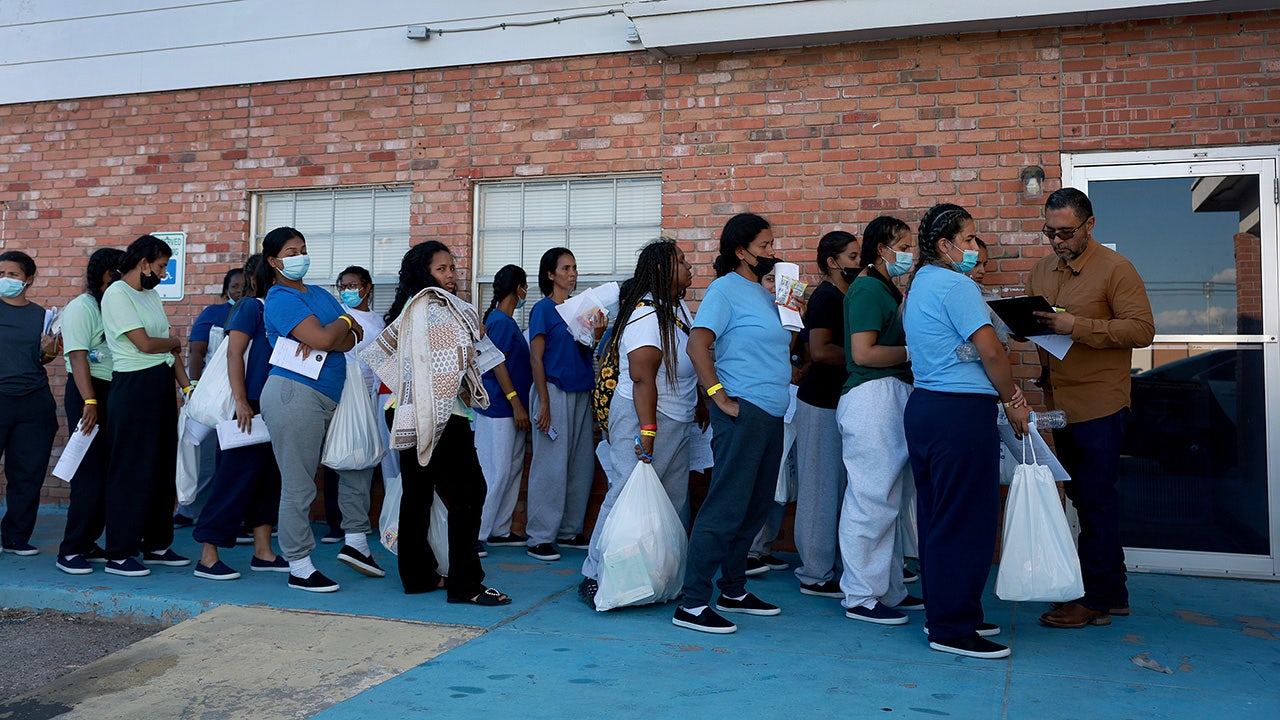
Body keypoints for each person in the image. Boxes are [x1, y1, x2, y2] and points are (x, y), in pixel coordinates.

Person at [901, 203, 1030, 659]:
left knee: (940, 517)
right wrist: (1015, 400)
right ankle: (952, 628)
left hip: (929, 409)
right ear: (945, 245)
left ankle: (950, 614)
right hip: (958, 413)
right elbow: (991, 352)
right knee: (965, 520)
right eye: (971, 239)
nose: (975, 248)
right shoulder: (955, 284)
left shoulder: (919, 284)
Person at [1028, 188, 1154, 629]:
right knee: (1083, 498)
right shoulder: (1043, 269)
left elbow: (1142, 330)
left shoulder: (1116, 269)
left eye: (1065, 232)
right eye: (1050, 233)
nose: (1057, 241)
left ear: (1090, 225)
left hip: (1101, 402)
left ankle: (1095, 598)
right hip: (1060, 403)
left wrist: (1075, 326)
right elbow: (1039, 324)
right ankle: (1112, 594)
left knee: (1096, 501)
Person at [674, 213, 791, 635]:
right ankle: (691, 602)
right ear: (741, 252)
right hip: (743, 411)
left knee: (755, 505)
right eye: (764, 246)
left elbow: (782, 347)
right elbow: (697, 343)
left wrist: (790, 308)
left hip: (772, 412)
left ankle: (734, 590)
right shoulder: (725, 291)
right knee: (726, 505)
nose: (771, 252)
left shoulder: (764, 294)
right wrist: (717, 395)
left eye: (772, 244)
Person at [380, 241, 513, 605]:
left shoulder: (417, 306)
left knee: (419, 495)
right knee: (470, 493)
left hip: (406, 408)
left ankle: (418, 576)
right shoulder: (432, 307)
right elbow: (446, 364)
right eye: (442, 269)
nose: (451, 276)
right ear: (424, 273)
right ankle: (466, 584)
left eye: (452, 268)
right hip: (437, 413)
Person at [578, 240, 703, 605]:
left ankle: (656, 576)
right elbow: (642, 376)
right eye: (681, 261)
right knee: (625, 496)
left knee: (672, 499)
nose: (689, 266)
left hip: (675, 417)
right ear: (662, 271)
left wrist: (698, 403)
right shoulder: (648, 314)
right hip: (645, 416)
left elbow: (684, 363)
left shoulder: (676, 308)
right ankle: (596, 574)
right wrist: (647, 430)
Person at [257, 226, 379, 593]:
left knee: (356, 462)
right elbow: (331, 336)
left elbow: (349, 339)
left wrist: (337, 331)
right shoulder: (279, 298)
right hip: (295, 394)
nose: (300, 257)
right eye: (291, 252)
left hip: (333, 392)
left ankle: (356, 543)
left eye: (303, 249)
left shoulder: (321, 295)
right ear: (274, 261)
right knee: (299, 483)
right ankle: (299, 564)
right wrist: (341, 323)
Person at [836, 216, 926, 624]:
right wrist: (911, 352)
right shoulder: (869, 288)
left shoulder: (886, 288)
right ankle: (860, 595)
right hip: (873, 396)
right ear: (881, 250)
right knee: (871, 499)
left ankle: (888, 589)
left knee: (888, 500)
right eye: (902, 245)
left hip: (890, 395)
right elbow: (864, 354)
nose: (910, 253)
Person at [99, 235, 193, 576]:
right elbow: (147, 343)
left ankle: (156, 544)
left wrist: (188, 388)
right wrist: (174, 341)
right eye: (161, 266)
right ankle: (120, 552)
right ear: (143, 263)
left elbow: (169, 350)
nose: (164, 274)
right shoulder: (117, 294)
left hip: (159, 383)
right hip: (133, 386)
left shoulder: (151, 295)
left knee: (161, 467)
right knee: (131, 469)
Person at [191, 255, 288, 580]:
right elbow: (234, 353)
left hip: (274, 405)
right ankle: (208, 556)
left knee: (266, 480)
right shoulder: (251, 307)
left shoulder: (285, 310)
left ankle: (263, 552)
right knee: (233, 478)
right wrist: (241, 401)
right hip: (247, 406)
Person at [789, 229, 859, 597]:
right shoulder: (826, 297)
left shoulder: (847, 295)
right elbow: (818, 350)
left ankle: (834, 566)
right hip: (819, 403)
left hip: (842, 401)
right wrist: (863, 358)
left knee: (840, 487)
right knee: (819, 488)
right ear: (832, 262)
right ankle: (814, 573)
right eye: (851, 257)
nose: (857, 262)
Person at [525, 247, 603, 562]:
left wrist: (597, 334)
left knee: (580, 464)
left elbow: (587, 352)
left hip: (581, 391)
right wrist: (543, 402)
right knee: (550, 465)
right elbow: (536, 357)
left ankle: (570, 531)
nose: (572, 273)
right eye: (566, 268)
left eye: (575, 267)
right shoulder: (543, 309)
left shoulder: (581, 309)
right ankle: (540, 537)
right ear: (550, 274)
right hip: (553, 391)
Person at [54, 247, 125, 573]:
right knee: (89, 472)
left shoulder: (115, 304)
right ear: (104, 273)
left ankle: (89, 540)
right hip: (89, 391)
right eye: (118, 273)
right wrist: (90, 402)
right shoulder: (82, 307)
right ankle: (70, 550)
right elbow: (78, 356)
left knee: (108, 472)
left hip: (114, 389)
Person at [319, 266, 388, 544]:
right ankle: (336, 523)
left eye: (353, 285)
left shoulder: (378, 321)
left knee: (365, 455)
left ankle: (359, 521)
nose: (348, 290)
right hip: (343, 391)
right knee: (340, 451)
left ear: (367, 287)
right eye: (343, 286)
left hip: (371, 395)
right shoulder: (338, 317)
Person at [0, 250, 61, 557]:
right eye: (1, 274)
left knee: (27, 473)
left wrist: (50, 350)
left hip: (33, 402)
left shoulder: (42, 316)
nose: (5, 280)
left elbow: (46, 358)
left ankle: (16, 537)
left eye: (13, 275)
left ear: (29, 279)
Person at [174, 267, 245, 526]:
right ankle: (189, 510)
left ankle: (231, 516)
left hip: (244, 394)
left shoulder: (255, 311)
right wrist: (192, 387)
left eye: (244, 286)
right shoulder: (214, 313)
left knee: (234, 457)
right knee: (204, 455)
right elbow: (196, 351)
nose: (239, 290)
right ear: (226, 289)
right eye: (235, 286)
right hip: (212, 393)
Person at [476, 264, 532, 551]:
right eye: (525, 287)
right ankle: (478, 533)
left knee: (511, 470)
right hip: (499, 407)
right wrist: (514, 400)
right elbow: (494, 363)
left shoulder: (508, 323)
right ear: (518, 288)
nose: (527, 293)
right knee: (494, 471)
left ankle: (499, 528)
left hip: (514, 410)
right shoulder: (499, 321)